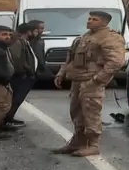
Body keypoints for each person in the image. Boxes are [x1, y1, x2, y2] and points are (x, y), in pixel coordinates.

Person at [52, 11, 125, 157]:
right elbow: (71, 57)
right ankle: (77, 142)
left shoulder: (110, 38)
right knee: (76, 112)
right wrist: (61, 73)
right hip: (77, 80)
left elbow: (116, 62)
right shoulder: (86, 36)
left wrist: (97, 79)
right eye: (89, 18)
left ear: (104, 22)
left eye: (94, 19)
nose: (89, 21)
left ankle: (93, 145)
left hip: (91, 81)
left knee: (91, 113)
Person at [3, 22, 38, 129]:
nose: (37, 33)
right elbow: (16, 60)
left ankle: (9, 118)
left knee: (18, 99)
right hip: (20, 76)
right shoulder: (18, 42)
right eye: (35, 31)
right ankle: (6, 120)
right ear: (29, 32)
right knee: (16, 99)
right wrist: (24, 71)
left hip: (25, 75)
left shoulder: (24, 41)